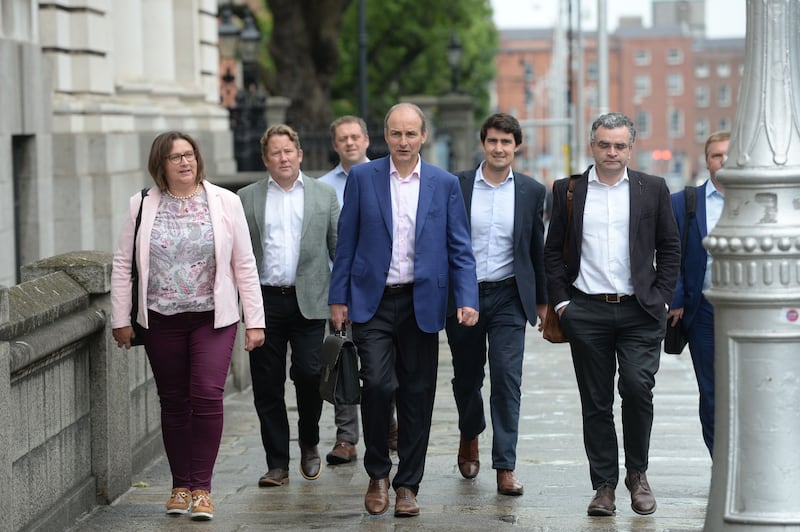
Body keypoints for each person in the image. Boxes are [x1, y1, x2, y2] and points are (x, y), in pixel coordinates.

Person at [329, 102, 479, 518]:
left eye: (411, 134)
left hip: (422, 302)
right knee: (376, 384)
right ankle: (377, 472)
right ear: (385, 135)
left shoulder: (443, 183)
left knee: (417, 395)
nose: (403, 141)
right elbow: (347, 242)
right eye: (396, 133)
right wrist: (337, 299)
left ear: (423, 137)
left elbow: (459, 247)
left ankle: (407, 484)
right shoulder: (362, 178)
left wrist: (467, 297)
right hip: (372, 301)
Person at [111, 131, 266, 521]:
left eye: (190, 155)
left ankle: (203, 489)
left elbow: (244, 264)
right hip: (161, 319)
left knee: (207, 395)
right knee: (175, 401)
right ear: (160, 164)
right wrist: (120, 319)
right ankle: (180, 486)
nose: (185, 162)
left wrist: (255, 322)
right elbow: (121, 265)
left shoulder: (225, 202)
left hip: (212, 319)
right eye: (175, 157)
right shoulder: (142, 205)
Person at [543, 112, 680, 517]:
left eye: (619, 145)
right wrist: (564, 303)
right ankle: (603, 486)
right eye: (604, 144)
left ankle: (637, 475)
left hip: (640, 310)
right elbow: (552, 251)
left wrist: (663, 298)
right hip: (586, 310)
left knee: (638, 389)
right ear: (592, 144)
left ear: (630, 148)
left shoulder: (652, 189)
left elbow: (670, 247)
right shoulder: (567, 190)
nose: (612, 152)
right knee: (596, 402)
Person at [446, 113, 547, 496]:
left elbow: (535, 247)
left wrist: (541, 300)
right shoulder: (458, 185)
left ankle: (505, 464)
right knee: (467, 378)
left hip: (508, 295)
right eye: (493, 141)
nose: (499, 148)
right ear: (483, 144)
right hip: (465, 296)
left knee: (507, 378)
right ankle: (469, 432)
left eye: (507, 142)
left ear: (516, 146)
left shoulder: (531, 191)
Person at [237, 124, 339, 488]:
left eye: (288, 151)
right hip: (264, 301)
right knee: (267, 384)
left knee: (310, 375)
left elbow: (337, 251)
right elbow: (238, 253)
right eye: (275, 152)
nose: (283, 157)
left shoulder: (323, 195)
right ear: (266, 159)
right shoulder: (246, 198)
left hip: (310, 301)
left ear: (299, 154)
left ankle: (309, 440)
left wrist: (341, 301)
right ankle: (277, 463)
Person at [319, 115, 400, 465]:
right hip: (340, 290)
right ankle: (346, 437)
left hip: (380, 290)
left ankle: (388, 425)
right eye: (343, 138)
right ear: (335, 145)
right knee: (343, 360)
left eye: (355, 137)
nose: (350, 143)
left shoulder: (387, 178)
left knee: (383, 366)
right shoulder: (321, 188)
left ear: (367, 140)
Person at [668, 130, 730, 457]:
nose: (724, 161)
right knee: (712, 391)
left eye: (729, 154)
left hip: (749, 312)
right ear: (707, 161)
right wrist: (676, 296)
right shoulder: (684, 203)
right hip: (703, 310)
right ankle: (720, 463)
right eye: (717, 155)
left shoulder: (758, 199)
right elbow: (669, 252)